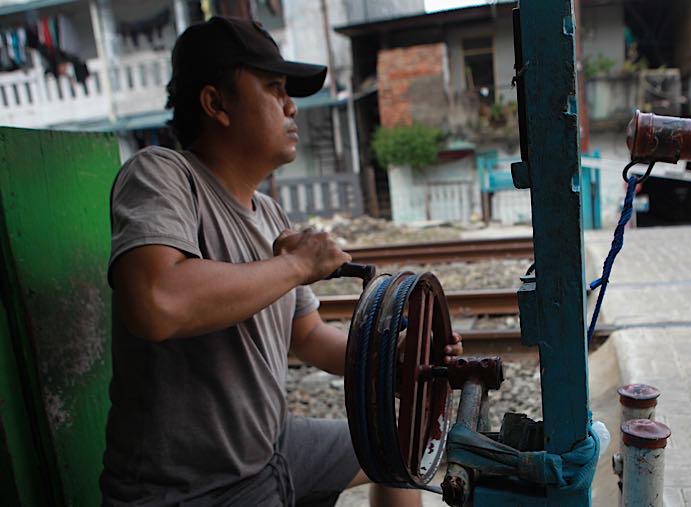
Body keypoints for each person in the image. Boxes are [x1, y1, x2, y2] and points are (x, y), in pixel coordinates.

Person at [99, 16, 462, 507]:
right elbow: (157, 301)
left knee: (396, 449)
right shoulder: (161, 175)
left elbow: (307, 336)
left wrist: (395, 362)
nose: (292, 106)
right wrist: (296, 266)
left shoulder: (270, 213)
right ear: (215, 103)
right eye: (273, 89)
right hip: (190, 489)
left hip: (272, 448)